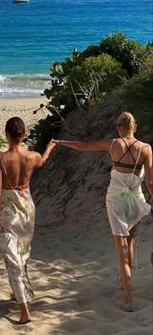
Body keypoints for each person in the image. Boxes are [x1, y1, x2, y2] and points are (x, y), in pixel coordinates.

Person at [52, 111, 153, 312]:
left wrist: (62, 142)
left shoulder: (114, 144)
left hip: (117, 199)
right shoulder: (146, 148)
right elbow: (150, 181)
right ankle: (124, 283)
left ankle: (128, 298)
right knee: (130, 241)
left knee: (121, 248)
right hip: (135, 199)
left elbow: (84, 147)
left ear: (119, 127)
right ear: (135, 127)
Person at [0, 117, 55, 324]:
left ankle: (24, 311)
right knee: (22, 252)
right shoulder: (32, 156)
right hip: (27, 208)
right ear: (23, 135)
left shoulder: (0, 159)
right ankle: (18, 291)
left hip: (7, 211)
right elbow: (44, 159)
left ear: (6, 134)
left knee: (12, 258)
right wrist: (49, 147)